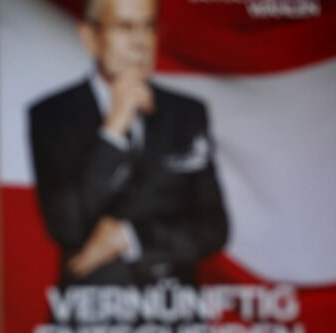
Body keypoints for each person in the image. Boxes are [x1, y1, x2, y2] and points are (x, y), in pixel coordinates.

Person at [29, 0, 228, 324]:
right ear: (90, 37)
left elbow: (213, 227)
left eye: (148, 26)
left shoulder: (187, 113)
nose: (140, 41)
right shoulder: (51, 115)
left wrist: (129, 236)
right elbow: (66, 225)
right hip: (90, 318)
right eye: (124, 27)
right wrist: (113, 132)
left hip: (173, 318)